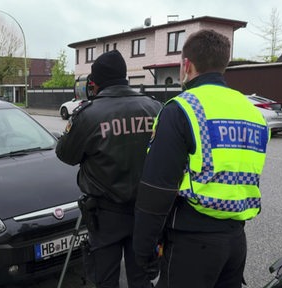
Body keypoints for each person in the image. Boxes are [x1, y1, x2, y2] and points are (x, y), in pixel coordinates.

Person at [133, 29, 270, 288]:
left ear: (186, 65)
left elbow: (156, 189)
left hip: (192, 243)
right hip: (236, 241)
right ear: (224, 65)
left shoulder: (181, 108)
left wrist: (143, 250)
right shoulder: (253, 113)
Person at [56, 50, 162, 288]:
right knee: (142, 278)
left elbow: (66, 155)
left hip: (105, 216)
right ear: (124, 77)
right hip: (146, 211)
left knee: (105, 279)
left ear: (94, 83)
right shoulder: (155, 108)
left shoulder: (87, 114)